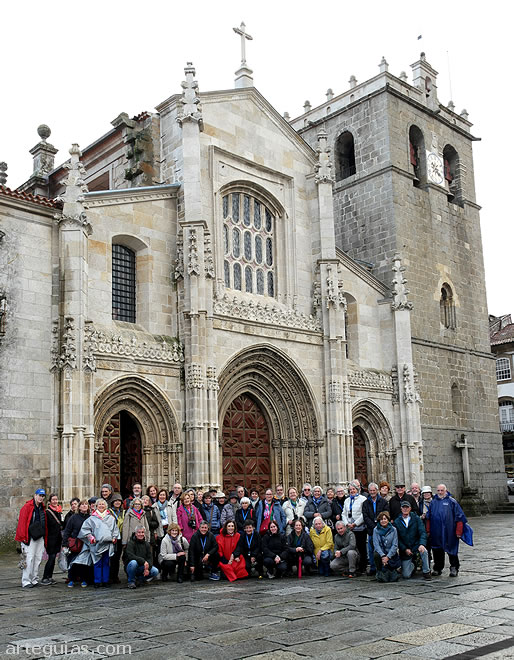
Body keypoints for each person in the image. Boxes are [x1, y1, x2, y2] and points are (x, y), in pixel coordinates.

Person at [77, 498, 120, 588]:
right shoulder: (91, 518)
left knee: (106, 562)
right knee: (97, 563)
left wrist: (114, 537)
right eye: (99, 504)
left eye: (103, 504)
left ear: (106, 506)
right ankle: (97, 581)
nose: (101, 506)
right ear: (96, 506)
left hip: (107, 544)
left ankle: (105, 580)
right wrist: (90, 537)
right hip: (96, 544)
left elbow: (115, 529)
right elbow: (85, 530)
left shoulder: (111, 518)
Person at [426, 484, 467, 577]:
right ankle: (437, 568)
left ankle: (454, 567)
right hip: (436, 531)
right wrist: (428, 530)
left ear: (446, 490)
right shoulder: (433, 502)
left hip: (450, 531)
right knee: (437, 550)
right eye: (438, 490)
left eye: (442, 490)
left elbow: (459, 517)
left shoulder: (452, 502)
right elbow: (429, 517)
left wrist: (458, 531)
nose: (440, 492)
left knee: (452, 549)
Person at [15, 488, 47, 589]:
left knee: (38, 559)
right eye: (39, 495)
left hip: (40, 536)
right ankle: (26, 581)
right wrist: (23, 537)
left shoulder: (42, 508)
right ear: (35, 495)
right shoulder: (27, 507)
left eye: (43, 496)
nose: (41, 498)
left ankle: (34, 579)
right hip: (29, 537)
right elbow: (22, 523)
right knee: (28, 559)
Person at [393, 500, 431, 580]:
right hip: (406, 549)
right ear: (401, 508)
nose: (405, 509)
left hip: (416, 545)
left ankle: (426, 571)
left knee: (424, 551)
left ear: (410, 508)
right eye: (403, 507)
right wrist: (404, 549)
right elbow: (397, 539)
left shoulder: (416, 518)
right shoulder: (397, 522)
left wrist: (421, 544)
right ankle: (413, 565)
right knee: (406, 575)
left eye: (407, 507)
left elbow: (423, 532)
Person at [362, 482, 389, 576]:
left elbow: (386, 514)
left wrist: (379, 526)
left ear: (377, 491)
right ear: (368, 491)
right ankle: (373, 568)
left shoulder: (383, 502)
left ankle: (383, 567)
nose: (372, 492)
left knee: (382, 548)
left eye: (374, 490)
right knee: (371, 549)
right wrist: (373, 527)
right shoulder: (365, 503)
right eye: (371, 490)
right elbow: (365, 516)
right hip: (371, 530)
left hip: (382, 530)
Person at [62, 499, 91, 588]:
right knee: (72, 561)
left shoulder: (90, 517)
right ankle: (71, 579)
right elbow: (67, 530)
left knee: (84, 563)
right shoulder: (74, 517)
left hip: (86, 544)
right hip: (75, 543)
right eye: (82, 504)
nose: (84, 506)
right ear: (79, 507)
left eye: (86, 504)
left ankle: (83, 579)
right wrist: (64, 544)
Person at [342, 481, 368, 573]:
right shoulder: (347, 500)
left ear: (358, 490)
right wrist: (347, 524)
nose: (352, 491)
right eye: (350, 489)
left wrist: (355, 524)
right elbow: (344, 513)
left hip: (360, 528)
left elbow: (364, 513)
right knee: (352, 547)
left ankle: (362, 566)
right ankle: (354, 566)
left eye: (354, 489)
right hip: (349, 528)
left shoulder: (363, 499)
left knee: (361, 547)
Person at [41, 493, 63, 586]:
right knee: (51, 558)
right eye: (53, 500)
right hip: (50, 538)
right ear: (50, 501)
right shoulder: (47, 512)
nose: (55, 501)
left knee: (53, 559)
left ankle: (49, 576)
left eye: (56, 499)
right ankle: (45, 577)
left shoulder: (58, 511)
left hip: (57, 538)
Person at [373, 511, 400, 583]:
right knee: (376, 554)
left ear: (388, 520)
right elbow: (376, 544)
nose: (383, 521)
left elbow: (395, 545)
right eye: (381, 519)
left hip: (390, 553)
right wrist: (383, 556)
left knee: (393, 578)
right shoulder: (376, 530)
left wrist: (388, 557)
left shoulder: (393, 530)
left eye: (385, 519)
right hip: (381, 552)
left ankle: (391, 570)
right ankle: (379, 571)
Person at [109, 493, 124, 583]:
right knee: (111, 557)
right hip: (111, 538)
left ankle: (115, 576)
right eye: (116, 501)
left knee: (117, 558)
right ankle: (110, 576)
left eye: (119, 501)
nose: (117, 502)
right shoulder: (109, 512)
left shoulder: (123, 512)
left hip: (120, 537)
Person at [142, 494, 162, 566]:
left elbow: (156, 523)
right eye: (143, 499)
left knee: (150, 554)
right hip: (140, 535)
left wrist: (148, 523)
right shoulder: (138, 510)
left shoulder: (151, 511)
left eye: (147, 500)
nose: (145, 501)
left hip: (150, 535)